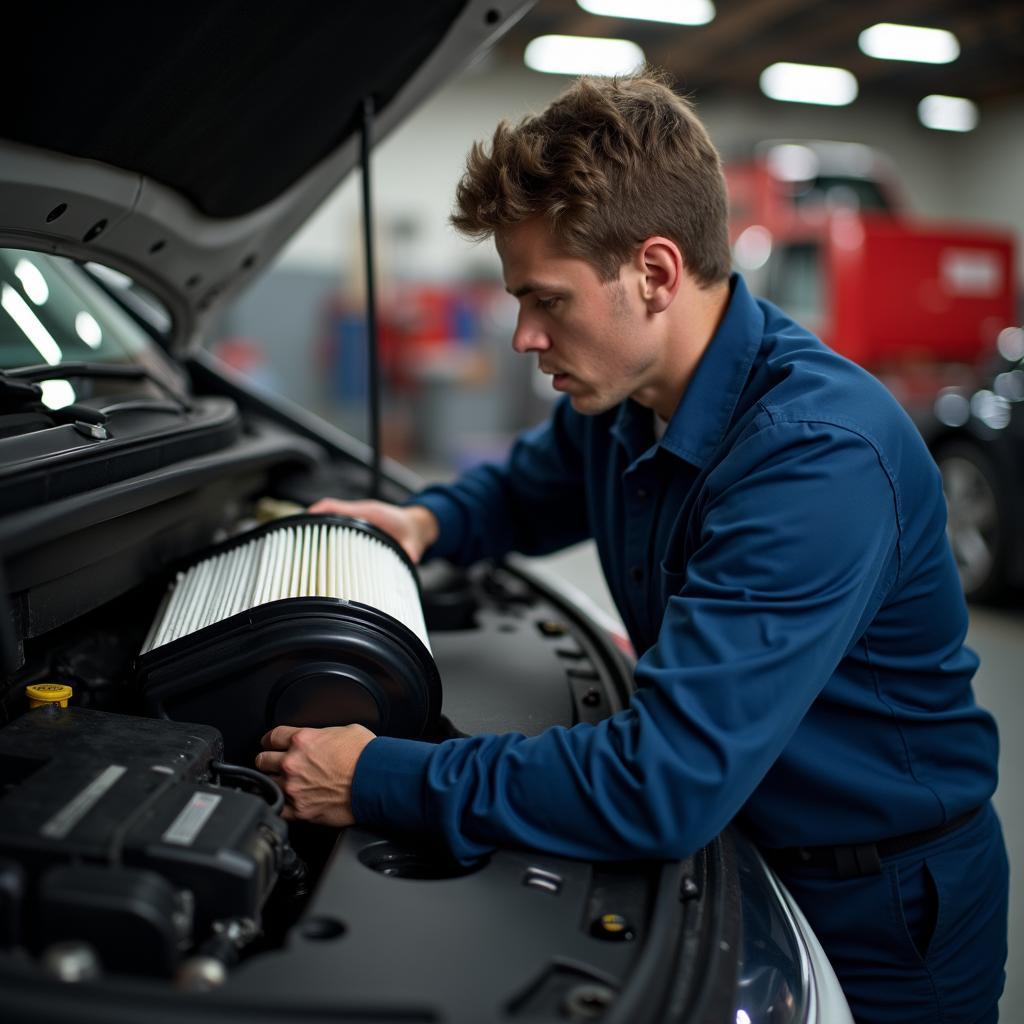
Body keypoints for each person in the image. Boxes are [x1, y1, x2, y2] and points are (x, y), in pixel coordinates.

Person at [256, 73, 1008, 1022]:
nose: (525, 335)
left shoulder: (815, 459)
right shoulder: (627, 399)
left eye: (546, 300)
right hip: (749, 842)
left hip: (879, 909)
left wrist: (379, 776)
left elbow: (665, 780)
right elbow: (525, 490)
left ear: (654, 273)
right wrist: (423, 523)